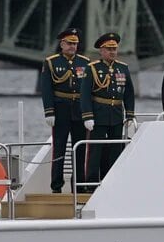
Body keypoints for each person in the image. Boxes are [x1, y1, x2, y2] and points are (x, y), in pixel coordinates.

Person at [80, 32, 135, 191]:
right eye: (108, 49)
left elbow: (129, 93)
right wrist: (87, 116)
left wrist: (129, 113)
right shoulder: (92, 68)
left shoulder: (122, 68)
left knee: (115, 150)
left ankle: (112, 181)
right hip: (98, 114)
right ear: (101, 51)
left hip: (116, 114)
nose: (112, 52)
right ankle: (91, 183)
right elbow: (85, 94)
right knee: (95, 151)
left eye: (114, 48)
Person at [39, 28, 91, 193]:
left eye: (75, 43)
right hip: (60, 109)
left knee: (80, 148)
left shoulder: (85, 62)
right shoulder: (51, 62)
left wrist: (88, 113)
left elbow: (88, 90)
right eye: (69, 43)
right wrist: (49, 111)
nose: (72, 46)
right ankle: (56, 185)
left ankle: (79, 185)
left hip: (79, 110)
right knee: (59, 147)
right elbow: (46, 89)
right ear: (62, 44)